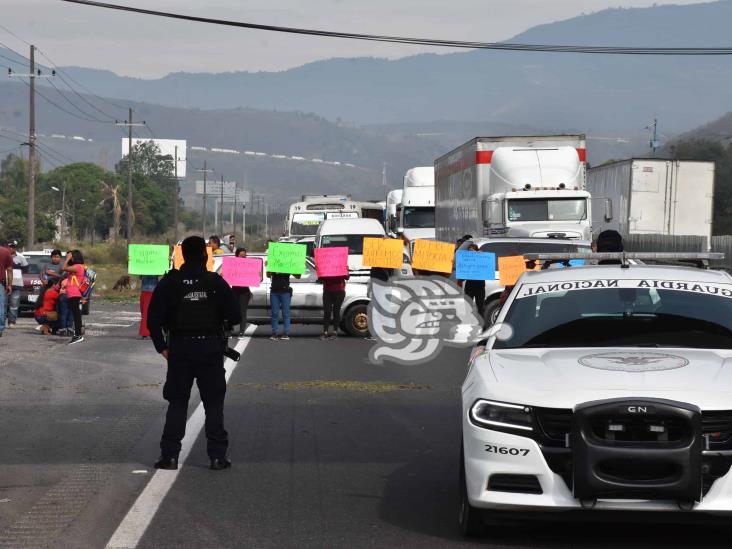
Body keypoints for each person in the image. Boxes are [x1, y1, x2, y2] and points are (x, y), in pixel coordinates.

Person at [147, 236, 240, 471]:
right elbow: (235, 315)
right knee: (213, 403)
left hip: (180, 349)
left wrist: (162, 347)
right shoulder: (215, 282)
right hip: (210, 348)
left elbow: (153, 319)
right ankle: (217, 456)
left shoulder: (170, 283)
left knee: (177, 402)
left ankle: (169, 456)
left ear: (184, 256)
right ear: (205, 255)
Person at [267, 267, 300, 341]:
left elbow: (298, 276)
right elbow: (268, 275)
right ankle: (274, 333)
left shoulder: (288, 263)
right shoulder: (274, 261)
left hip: (285, 292)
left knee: (286, 313)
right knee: (274, 313)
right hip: (274, 291)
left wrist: (291, 269)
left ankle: (286, 333)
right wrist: (269, 267)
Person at [61, 250, 86, 344]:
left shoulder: (78, 266)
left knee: (76, 315)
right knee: (75, 314)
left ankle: (78, 335)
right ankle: (77, 334)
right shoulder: (75, 267)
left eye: (71, 256)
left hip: (75, 293)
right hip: (72, 293)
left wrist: (67, 259)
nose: (69, 258)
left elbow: (63, 267)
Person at [318, 272, 349, 340]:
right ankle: (325, 332)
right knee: (327, 311)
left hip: (339, 291)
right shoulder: (326, 265)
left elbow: (347, 277)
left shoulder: (342, 264)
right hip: (327, 291)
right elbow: (320, 279)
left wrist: (344, 272)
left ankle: (335, 332)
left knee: (336, 311)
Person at [458, 243, 487, 316]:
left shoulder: (482, 258)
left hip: (479, 286)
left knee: (480, 306)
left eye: (472, 251)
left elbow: (487, 267)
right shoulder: (466, 260)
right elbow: (462, 278)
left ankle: (482, 323)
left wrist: (481, 256)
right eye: (469, 251)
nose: (471, 253)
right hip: (469, 286)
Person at [231, 247, 252, 338]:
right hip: (234, 291)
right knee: (231, 311)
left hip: (244, 292)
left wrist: (257, 275)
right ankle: (229, 330)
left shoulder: (249, 265)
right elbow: (226, 276)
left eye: (245, 256)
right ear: (236, 256)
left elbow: (256, 279)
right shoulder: (232, 265)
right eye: (241, 256)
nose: (243, 258)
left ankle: (241, 332)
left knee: (243, 312)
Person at [7, 240, 27, 327]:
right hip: (5, 282)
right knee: (3, 303)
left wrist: (16, 273)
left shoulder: (21, 257)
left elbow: (25, 269)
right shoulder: (3, 256)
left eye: (13, 247)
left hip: (17, 283)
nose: (11, 248)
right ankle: (2, 320)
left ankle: (12, 321)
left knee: (14, 304)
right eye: (10, 246)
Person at [0, 242, 13, 338]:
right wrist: (9, 285)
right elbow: (9, 270)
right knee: (1, 307)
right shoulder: (5, 252)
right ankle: (0, 328)